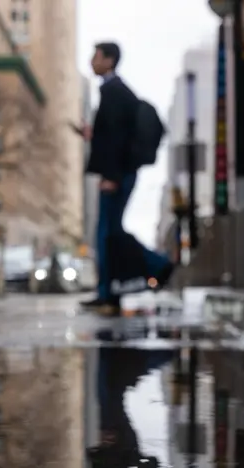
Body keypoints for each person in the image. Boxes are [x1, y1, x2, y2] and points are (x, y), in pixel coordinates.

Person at [79, 41, 174, 317]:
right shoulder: (114, 92)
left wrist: (112, 176)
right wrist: (92, 135)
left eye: (95, 56)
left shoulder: (114, 92)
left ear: (109, 60)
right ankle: (108, 291)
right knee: (109, 233)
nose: (91, 61)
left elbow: (118, 139)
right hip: (120, 173)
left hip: (118, 175)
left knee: (108, 233)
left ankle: (152, 267)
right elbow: (112, 135)